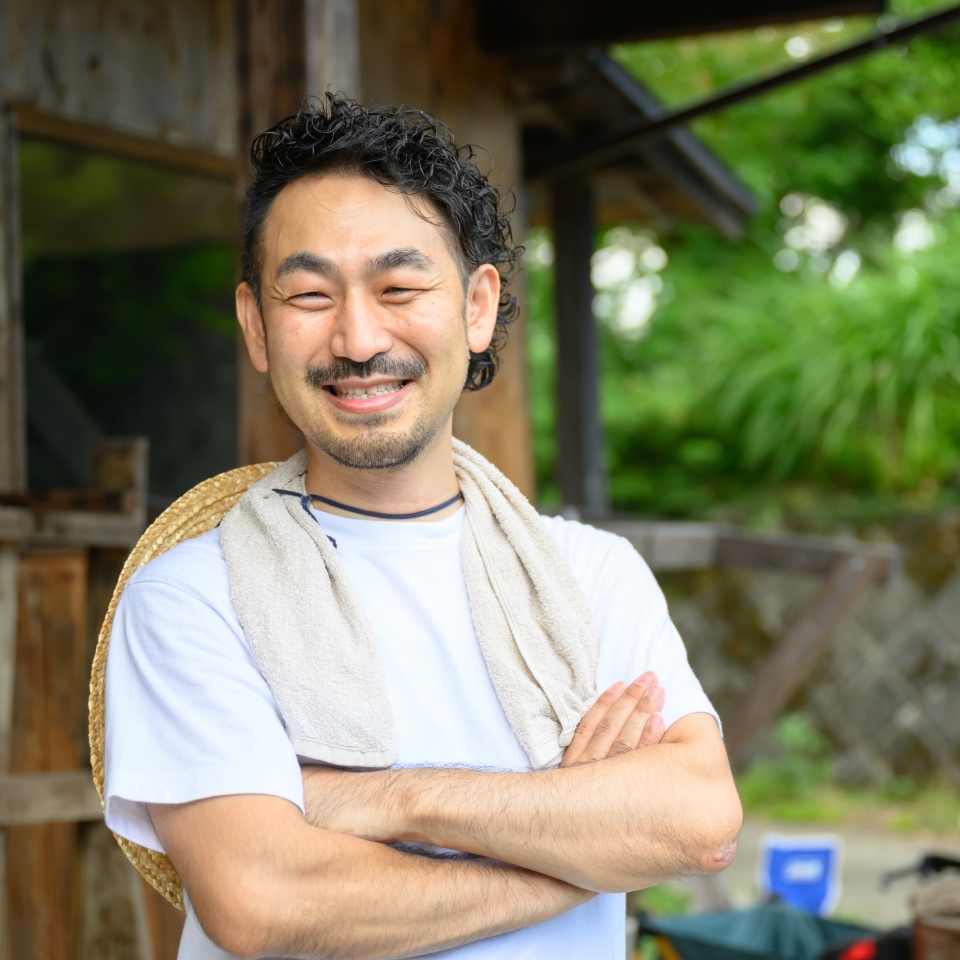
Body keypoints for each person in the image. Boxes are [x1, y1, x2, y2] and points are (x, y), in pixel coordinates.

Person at [103, 94, 741, 960]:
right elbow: (264, 902)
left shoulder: (594, 575)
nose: (359, 337)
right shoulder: (190, 599)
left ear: (478, 308)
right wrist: (585, 851)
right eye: (310, 293)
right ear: (257, 327)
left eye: (400, 287)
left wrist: (392, 800)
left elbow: (698, 822)